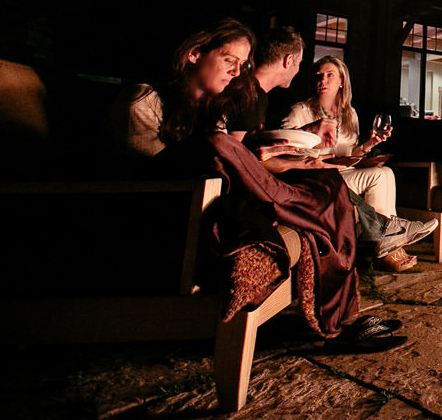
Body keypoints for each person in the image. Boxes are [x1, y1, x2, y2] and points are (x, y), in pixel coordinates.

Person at [110, 18, 401, 349]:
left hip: (223, 194)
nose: (237, 73)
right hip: (175, 215)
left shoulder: (210, 111)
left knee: (326, 181)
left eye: (241, 65)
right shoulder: (143, 101)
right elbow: (149, 181)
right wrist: (240, 154)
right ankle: (355, 278)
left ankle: (343, 316)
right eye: (229, 61)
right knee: (224, 147)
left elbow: (223, 158)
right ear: (194, 54)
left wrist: (254, 153)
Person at [226, 33, 435, 272]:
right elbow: (282, 150)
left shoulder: (350, 115)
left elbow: (348, 153)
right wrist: (313, 146)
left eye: (329, 75)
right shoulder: (300, 111)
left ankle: (385, 241)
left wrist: (368, 147)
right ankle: (387, 241)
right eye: (318, 76)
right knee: (376, 176)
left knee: (384, 172)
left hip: (342, 172)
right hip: (316, 177)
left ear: (342, 82)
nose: (322, 81)